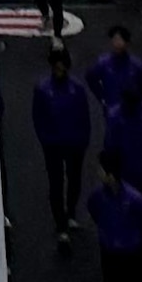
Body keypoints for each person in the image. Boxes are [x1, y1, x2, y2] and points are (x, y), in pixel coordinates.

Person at [28, 49, 96, 249]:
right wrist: (45, 139)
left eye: (62, 65)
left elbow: (84, 116)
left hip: (74, 143)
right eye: (56, 65)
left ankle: (71, 212)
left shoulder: (77, 89)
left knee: (74, 179)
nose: (59, 69)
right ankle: (61, 224)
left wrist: (84, 139)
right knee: (56, 183)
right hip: (54, 144)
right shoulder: (43, 89)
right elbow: (38, 117)